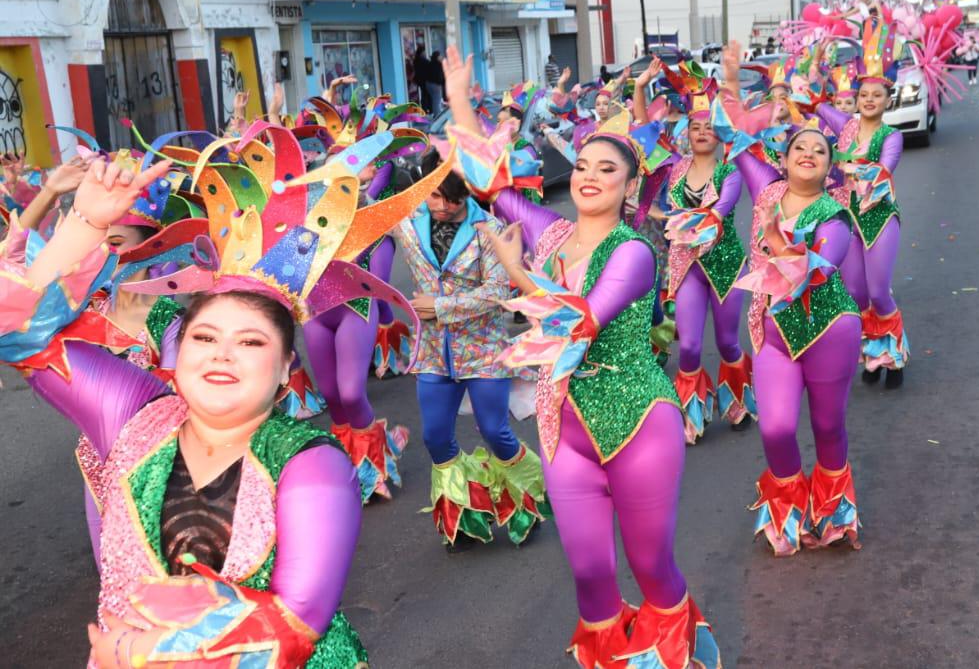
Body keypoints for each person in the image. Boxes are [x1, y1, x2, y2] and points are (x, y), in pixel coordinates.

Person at [0, 138, 446, 668]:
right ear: (182, 347)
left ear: (285, 367)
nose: (223, 354)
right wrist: (85, 223)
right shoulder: (134, 416)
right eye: (205, 337)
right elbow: (17, 333)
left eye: (251, 342)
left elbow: (294, 624)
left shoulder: (311, 462)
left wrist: (150, 651)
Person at [441, 47, 720, 669]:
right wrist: (459, 100)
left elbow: (580, 323)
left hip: (637, 421)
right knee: (591, 577)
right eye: (583, 165)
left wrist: (516, 272)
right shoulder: (553, 233)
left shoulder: (634, 252)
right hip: (563, 427)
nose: (589, 176)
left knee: (652, 567)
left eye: (606, 169)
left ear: (629, 186)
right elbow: (491, 184)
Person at [719, 40, 862, 557]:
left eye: (820, 150)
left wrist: (780, 243)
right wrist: (730, 79)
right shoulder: (766, 192)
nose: (808, 153)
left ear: (830, 166)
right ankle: (788, 508)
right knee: (777, 428)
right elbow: (734, 136)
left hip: (829, 328)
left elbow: (821, 265)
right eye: (800, 147)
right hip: (774, 332)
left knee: (827, 425)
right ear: (782, 159)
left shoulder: (834, 213)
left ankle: (832, 512)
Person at [396, 149, 548, 551]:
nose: (444, 207)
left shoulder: (489, 229)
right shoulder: (406, 223)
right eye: (436, 196)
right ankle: (464, 514)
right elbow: (356, 219)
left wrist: (439, 306)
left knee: (495, 431)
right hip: (434, 352)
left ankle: (526, 501)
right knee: (435, 437)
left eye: (455, 198)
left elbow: (497, 291)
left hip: (483, 349)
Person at [633, 58, 752, 442]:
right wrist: (640, 88)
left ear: (720, 134)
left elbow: (720, 210)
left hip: (725, 265)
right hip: (687, 268)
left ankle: (738, 402)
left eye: (708, 127)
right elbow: (644, 136)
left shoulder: (729, 172)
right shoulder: (676, 167)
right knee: (690, 346)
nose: (701, 133)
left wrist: (701, 218)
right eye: (695, 126)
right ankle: (692, 415)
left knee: (727, 342)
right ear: (687, 130)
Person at [814, 20, 910, 391]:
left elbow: (884, 169)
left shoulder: (891, 136)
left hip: (879, 217)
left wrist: (849, 167)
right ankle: (873, 353)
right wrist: (819, 66)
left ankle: (895, 356)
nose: (869, 100)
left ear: (888, 101)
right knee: (855, 293)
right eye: (864, 94)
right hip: (848, 219)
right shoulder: (846, 128)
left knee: (879, 291)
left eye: (877, 95)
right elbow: (818, 105)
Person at [425, 49, 447, 115]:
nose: (441, 57)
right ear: (437, 57)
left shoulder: (430, 63)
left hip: (429, 84)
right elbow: (440, 76)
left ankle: (436, 113)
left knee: (435, 100)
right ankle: (437, 115)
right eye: (440, 56)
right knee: (437, 100)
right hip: (436, 85)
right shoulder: (438, 64)